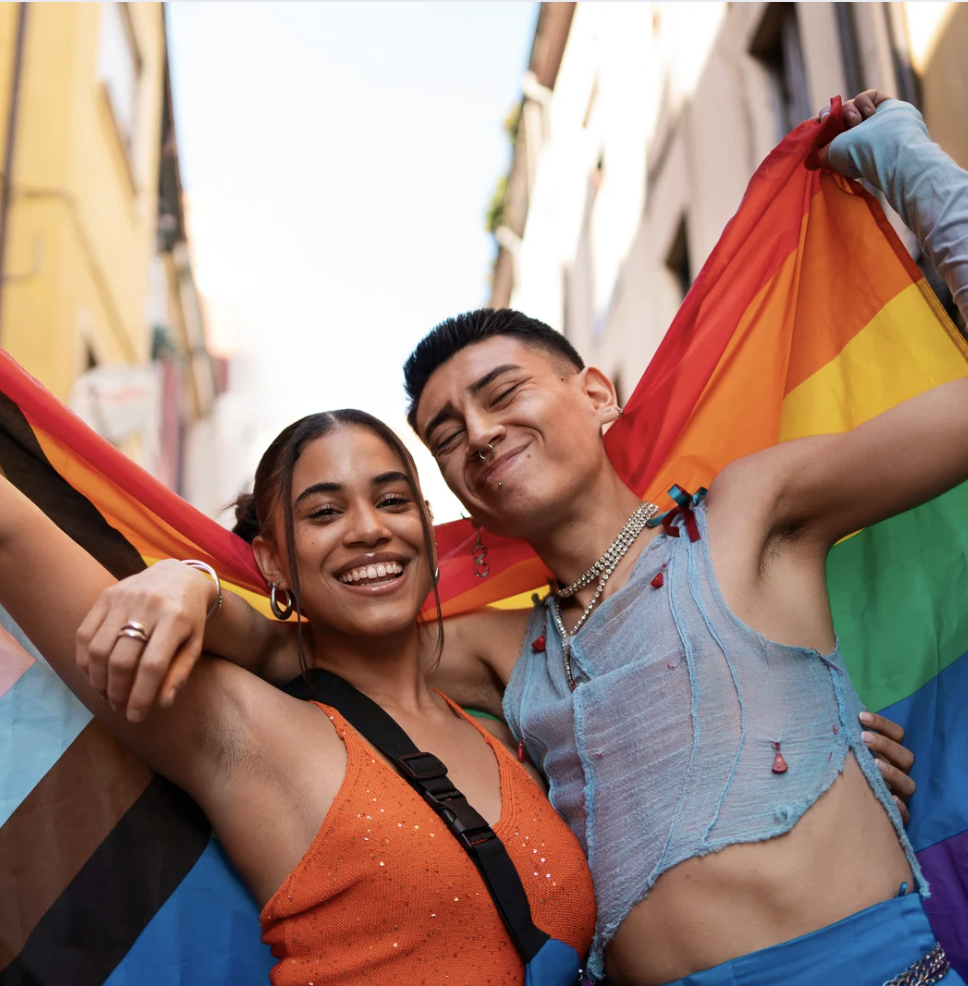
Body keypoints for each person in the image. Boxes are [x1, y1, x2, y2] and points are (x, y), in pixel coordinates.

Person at [0, 205, 603, 979]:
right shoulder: (244, 731)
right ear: (274, 563)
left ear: (428, 528)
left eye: (392, 500)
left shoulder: (505, 707)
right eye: (323, 511)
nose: (367, 528)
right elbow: (0, 536)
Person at [394, 91, 968, 985]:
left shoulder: (748, 513)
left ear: (594, 394)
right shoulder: (503, 654)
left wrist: (905, 159)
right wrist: (192, 581)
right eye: (444, 434)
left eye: (502, 395)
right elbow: (282, 660)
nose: (477, 433)